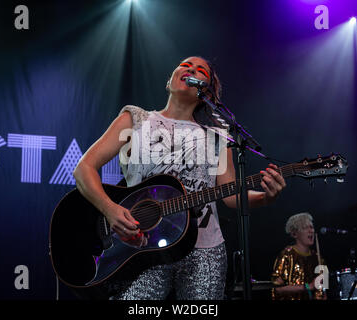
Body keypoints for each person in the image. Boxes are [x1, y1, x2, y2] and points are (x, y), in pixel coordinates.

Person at [73, 56, 286, 300]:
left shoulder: (218, 136)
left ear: (208, 91)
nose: (191, 69)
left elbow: (230, 195)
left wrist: (266, 198)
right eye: (186, 65)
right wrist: (110, 210)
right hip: (142, 247)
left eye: (200, 70)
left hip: (204, 249)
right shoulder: (136, 119)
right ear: (170, 79)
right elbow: (84, 169)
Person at [271, 212, 326, 300]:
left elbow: (323, 289)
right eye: (305, 228)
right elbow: (277, 289)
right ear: (294, 234)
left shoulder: (318, 257)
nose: (311, 230)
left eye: (311, 227)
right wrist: (308, 286)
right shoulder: (286, 255)